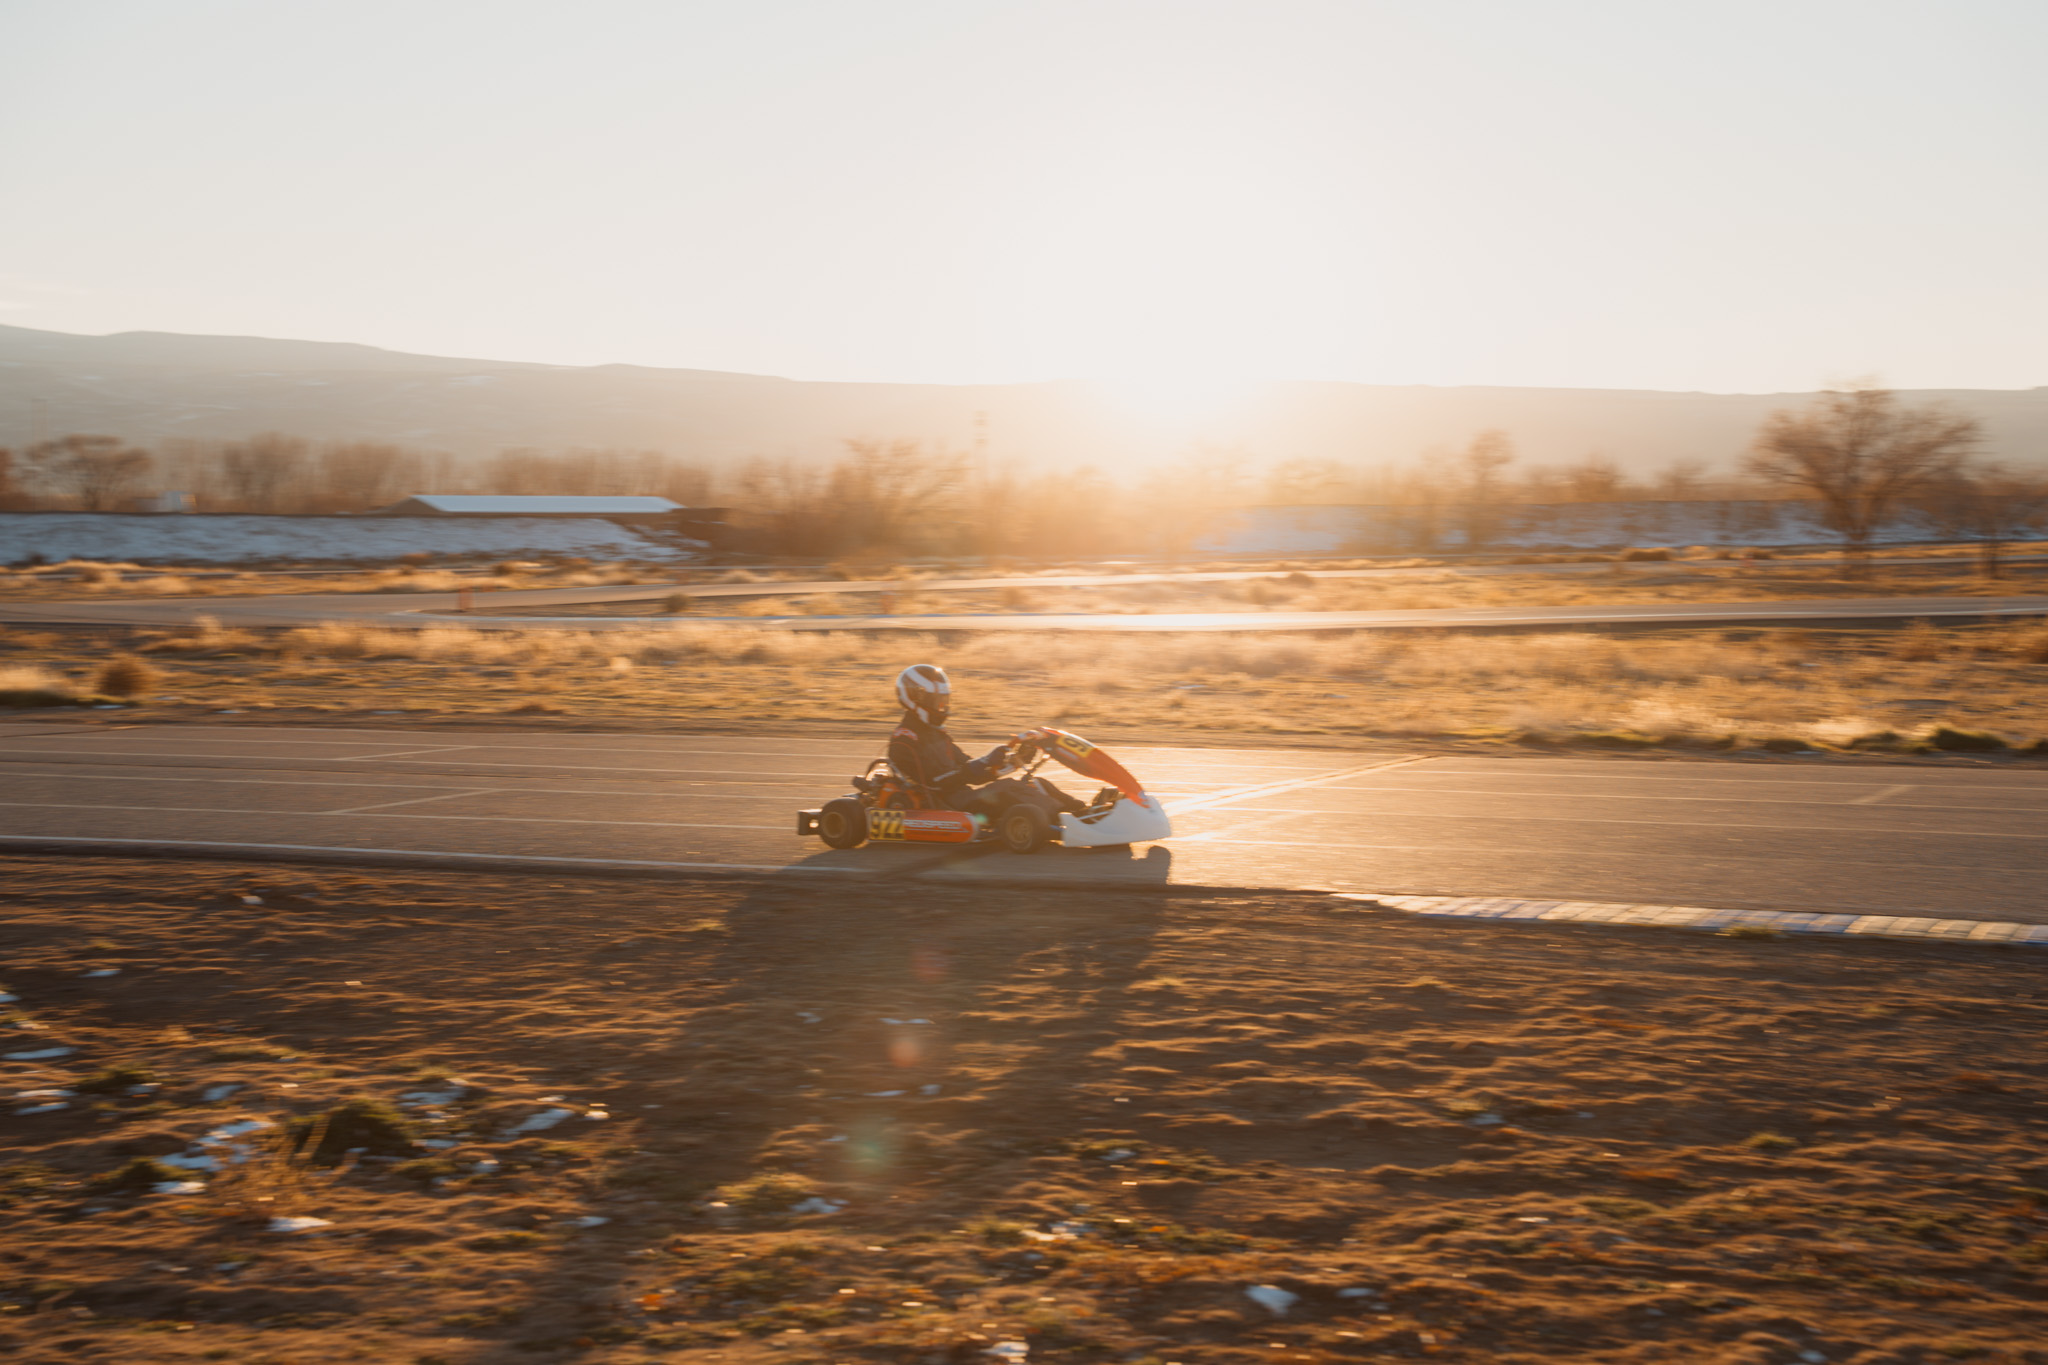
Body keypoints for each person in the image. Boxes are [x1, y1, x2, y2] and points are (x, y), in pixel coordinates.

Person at [887, 663, 1082, 818]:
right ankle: (1065, 818)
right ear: (915, 698)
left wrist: (1013, 761)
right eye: (936, 700)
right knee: (1008, 789)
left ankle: (1082, 811)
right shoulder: (904, 741)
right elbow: (932, 784)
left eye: (944, 700)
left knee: (1036, 783)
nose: (942, 706)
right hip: (945, 804)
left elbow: (970, 771)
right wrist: (981, 764)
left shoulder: (935, 733)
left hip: (962, 797)